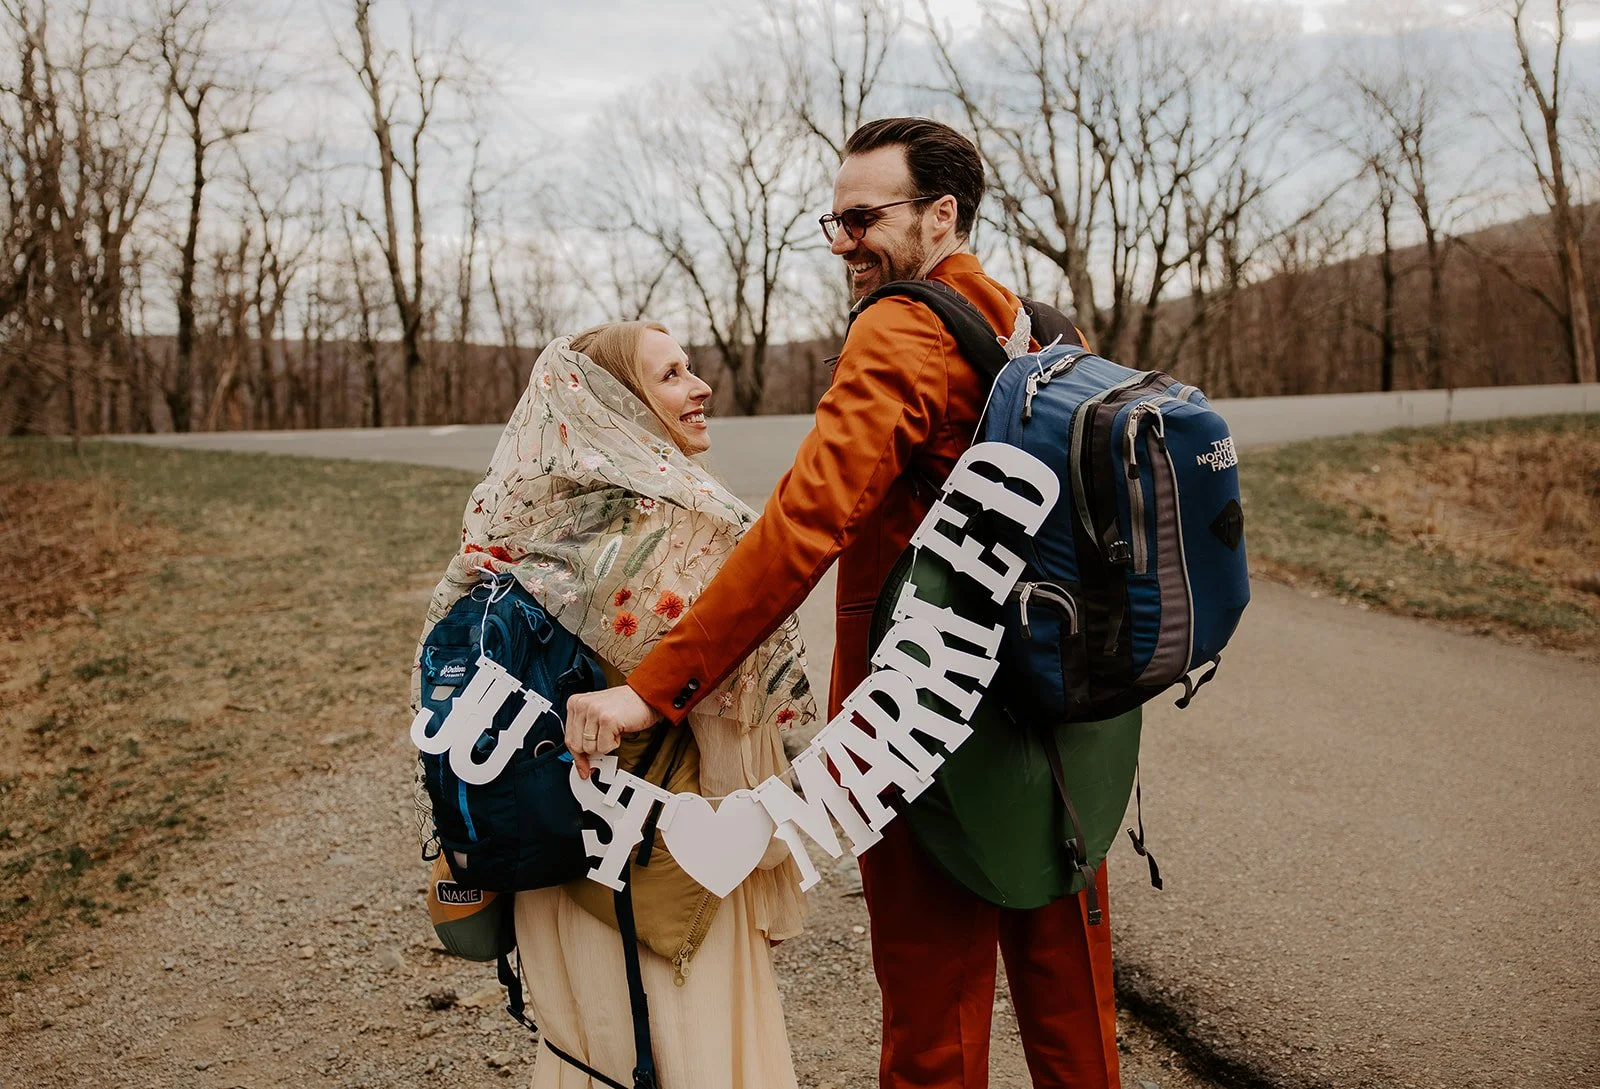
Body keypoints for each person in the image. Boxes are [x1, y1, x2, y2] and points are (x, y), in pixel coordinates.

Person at [565, 118, 1120, 1089]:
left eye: (863, 218)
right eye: (832, 219)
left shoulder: (902, 327)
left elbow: (803, 524)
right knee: (1073, 1005)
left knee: (934, 1022)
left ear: (941, 213)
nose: (842, 241)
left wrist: (656, 688)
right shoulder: (1049, 329)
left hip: (921, 724)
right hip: (1061, 709)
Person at [416, 321, 816, 1089]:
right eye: (670, 377)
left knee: (584, 1050)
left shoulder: (516, 529)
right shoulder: (683, 537)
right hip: (669, 870)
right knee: (695, 1054)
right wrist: (763, 857)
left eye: (691, 369)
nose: (700, 389)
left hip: (550, 863)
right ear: (614, 407)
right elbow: (736, 736)